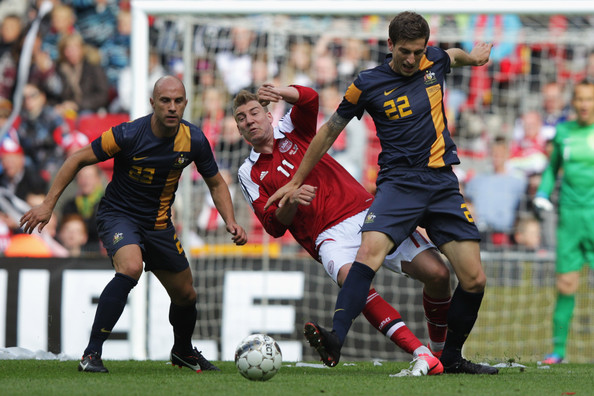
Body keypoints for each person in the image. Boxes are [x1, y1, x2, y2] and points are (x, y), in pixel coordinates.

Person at [266, 12, 497, 375]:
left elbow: (453, 55)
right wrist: (296, 179)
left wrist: (476, 56)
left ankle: (451, 357)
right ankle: (335, 338)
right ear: (390, 45)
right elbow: (328, 131)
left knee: (474, 279)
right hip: (399, 185)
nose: (411, 59)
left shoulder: (432, 60)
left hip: (441, 185)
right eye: (404, 51)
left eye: (418, 52)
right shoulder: (367, 84)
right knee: (368, 254)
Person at [20, 75, 248, 373]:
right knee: (130, 267)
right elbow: (76, 158)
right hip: (118, 215)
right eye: (165, 101)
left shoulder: (193, 140)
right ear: (152, 103)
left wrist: (229, 220)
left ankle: (182, 352)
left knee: (186, 294)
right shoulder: (127, 134)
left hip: (158, 224)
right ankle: (91, 355)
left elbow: (216, 183)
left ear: (186, 104)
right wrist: (48, 204)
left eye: (178, 101)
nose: (171, 107)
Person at [235, 84, 452, 376]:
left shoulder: (291, 129)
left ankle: (440, 352)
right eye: (241, 118)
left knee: (438, 274)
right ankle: (423, 354)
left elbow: (311, 98)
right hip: (328, 236)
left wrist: (283, 92)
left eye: (254, 112)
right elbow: (273, 225)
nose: (249, 120)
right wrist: (292, 201)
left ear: (268, 115)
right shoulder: (248, 173)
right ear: (238, 130)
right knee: (356, 285)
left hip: (366, 212)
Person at [533, 79, 594, 365]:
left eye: (589, 99)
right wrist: (543, 192)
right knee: (566, 284)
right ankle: (558, 351)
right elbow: (552, 168)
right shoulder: (563, 132)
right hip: (569, 218)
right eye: (580, 99)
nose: (584, 104)